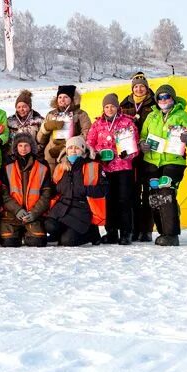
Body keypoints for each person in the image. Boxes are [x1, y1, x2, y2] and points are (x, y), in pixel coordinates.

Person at [138, 84, 187, 246]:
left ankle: (171, 234)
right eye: (160, 97)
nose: (163, 100)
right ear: (156, 100)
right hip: (151, 161)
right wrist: (142, 144)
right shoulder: (151, 116)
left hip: (173, 161)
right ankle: (162, 231)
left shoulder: (182, 115)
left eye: (167, 97)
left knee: (166, 191)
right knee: (154, 195)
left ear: (173, 98)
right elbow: (142, 135)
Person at [87, 93, 140, 245]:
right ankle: (111, 232)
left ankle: (126, 232)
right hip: (105, 168)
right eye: (107, 106)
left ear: (118, 107)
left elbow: (135, 146)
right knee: (108, 201)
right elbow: (90, 143)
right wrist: (96, 154)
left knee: (124, 200)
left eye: (112, 106)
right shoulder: (97, 124)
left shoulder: (127, 123)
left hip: (123, 168)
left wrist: (128, 153)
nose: (109, 109)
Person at [44, 136, 107, 247]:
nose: (73, 150)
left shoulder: (93, 166)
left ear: (83, 150)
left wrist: (84, 189)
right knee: (49, 225)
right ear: (66, 151)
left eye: (77, 148)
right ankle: (62, 233)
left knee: (68, 241)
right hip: (62, 207)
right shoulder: (60, 167)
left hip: (82, 209)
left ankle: (92, 233)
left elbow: (104, 189)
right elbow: (54, 188)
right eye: (70, 148)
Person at [119, 72, 156, 242]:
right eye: (136, 86)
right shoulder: (124, 104)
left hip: (150, 154)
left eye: (142, 86)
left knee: (149, 192)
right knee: (132, 192)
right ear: (132, 88)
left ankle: (146, 229)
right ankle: (133, 228)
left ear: (147, 88)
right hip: (130, 155)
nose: (139, 89)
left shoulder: (155, 103)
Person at [0, 132, 53, 247]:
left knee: (37, 242)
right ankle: (18, 231)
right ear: (15, 147)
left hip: (33, 214)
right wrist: (17, 210)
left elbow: (46, 194)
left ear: (31, 147)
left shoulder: (42, 165)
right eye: (20, 145)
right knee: (9, 243)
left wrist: (34, 213)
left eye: (26, 145)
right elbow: (3, 194)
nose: (23, 149)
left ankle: (27, 230)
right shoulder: (8, 165)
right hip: (12, 214)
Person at [37, 85, 92, 166]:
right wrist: (46, 127)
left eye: (65, 97)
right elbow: (40, 140)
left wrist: (69, 144)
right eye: (60, 97)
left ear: (72, 98)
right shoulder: (51, 114)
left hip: (71, 153)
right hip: (50, 154)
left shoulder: (81, 114)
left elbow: (87, 133)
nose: (62, 100)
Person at [6, 90, 45, 159]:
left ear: (29, 107)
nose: (21, 109)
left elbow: (43, 141)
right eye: (19, 107)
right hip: (14, 157)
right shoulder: (9, 121)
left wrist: (33, 151)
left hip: (34, 156)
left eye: (24, 106)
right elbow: (7, 140)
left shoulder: (39, 121)